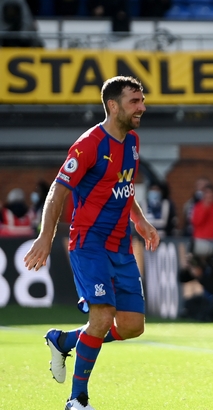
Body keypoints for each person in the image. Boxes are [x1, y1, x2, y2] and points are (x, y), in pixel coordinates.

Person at [23, 76, 160, 410]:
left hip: (121, 246)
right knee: (102, 317)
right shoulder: (88, 145)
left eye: (142, 101)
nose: (142, 107)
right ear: (113, 106)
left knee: (131, 327)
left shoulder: (132, 142)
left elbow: (123, 186)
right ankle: (77, 400)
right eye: (134, 102)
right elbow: (58, 190)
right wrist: (45, 236)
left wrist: (139, 220)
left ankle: (64, 340)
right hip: (89, 243)